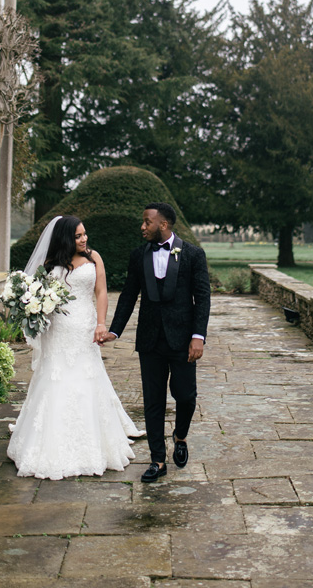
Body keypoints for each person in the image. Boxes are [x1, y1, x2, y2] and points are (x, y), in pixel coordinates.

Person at [7, 215, 144, 480]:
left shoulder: (94, 258)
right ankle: (48, 440)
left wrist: (101, 324)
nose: (84, 239)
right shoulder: (49, 264)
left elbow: (101, 292)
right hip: (58, 330)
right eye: (78, 236)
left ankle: (91, 438)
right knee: (55, 376)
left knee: (86, 375)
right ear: (65, 238)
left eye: (84, 234)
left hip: (84, 326)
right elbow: (38, 293)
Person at [100, 202, 210, 483]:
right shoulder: (138, 255)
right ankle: (157, 460)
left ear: (163, 224)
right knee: (153, 401)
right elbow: (128, 295)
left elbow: (202, 298)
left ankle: (181, 435)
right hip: (149, 340)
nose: (142, 227)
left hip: (183, 341)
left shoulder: (193, 254)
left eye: (147, 222)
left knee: (186, 395)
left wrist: (198, 337)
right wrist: (115, 330)